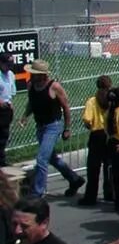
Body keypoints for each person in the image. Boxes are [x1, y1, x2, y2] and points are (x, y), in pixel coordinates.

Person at [18, 61, 83, 199]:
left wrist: (67, 128)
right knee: (51, 158)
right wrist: (25, 116)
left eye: (34, 74)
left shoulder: (54, 87)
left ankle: (37, 193)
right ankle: (74, 179)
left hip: (53, 126)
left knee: (42, 159)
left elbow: (66, 107)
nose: (31, 75)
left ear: (42, 75)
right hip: (40, 125)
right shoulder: (32, 86)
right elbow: (31, 102)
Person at [79, 75, 113, 206]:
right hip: (108, 134)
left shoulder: (92, 101)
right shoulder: (111, 100)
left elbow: (87, 120)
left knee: (93, 168)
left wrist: (91, 126)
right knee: (108, 166)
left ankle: (91, 196)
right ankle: (109, 193)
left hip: (96, 134)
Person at [0, 54, 14, 168]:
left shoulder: (11, 75)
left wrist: (10, 104)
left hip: (6, 110)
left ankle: (2, 162)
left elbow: (10, 93)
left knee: (4, 136)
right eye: (7, 64)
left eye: (11, 64)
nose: (10, 66)